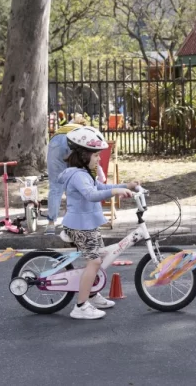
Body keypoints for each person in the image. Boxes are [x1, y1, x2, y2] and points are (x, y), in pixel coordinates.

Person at [58, 126, 140, 320]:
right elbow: (92, 195)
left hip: (87, 224)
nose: (98, 159)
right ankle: (80, 305)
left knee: (100, 258)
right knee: (94, 261)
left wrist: (125, 186)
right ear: (83, 155)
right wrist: (115, 192)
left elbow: (102, 187)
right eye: (95, 156)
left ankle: (92, 295)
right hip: (79, 225)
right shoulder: (78, 175)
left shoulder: (85, 173)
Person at [45, 114, 87, 235]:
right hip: (72, 141)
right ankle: (72, 221)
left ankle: (51, 224)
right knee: (74, 184)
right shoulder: (81, 130)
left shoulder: (64, 127)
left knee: (55, 187)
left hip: (55, 143)